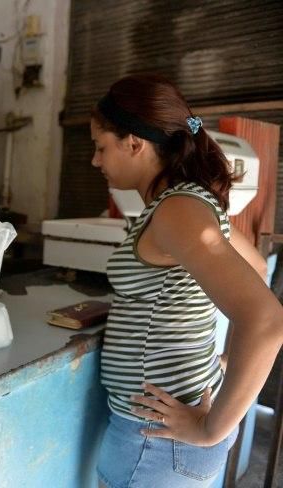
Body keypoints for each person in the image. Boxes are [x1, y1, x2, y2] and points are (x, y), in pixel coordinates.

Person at [91, 73, 283, 487]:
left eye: (100, 146)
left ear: (134, 143)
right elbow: (259, 269)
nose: (95, 161)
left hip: (155, 444)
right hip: (162, 438)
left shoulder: (177, 209)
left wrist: (210, 428)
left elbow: (267, 320)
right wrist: (223, 364)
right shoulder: (184, 202)